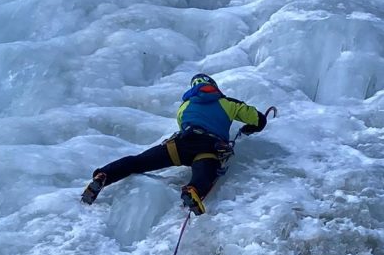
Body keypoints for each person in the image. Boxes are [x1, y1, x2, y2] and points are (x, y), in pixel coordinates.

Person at [82, 73, 268, 215]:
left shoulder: (184, 107)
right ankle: (193, 189)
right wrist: (247, 130)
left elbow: (185, 124)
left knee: (138, 162)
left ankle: (104, 174)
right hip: (208, 147)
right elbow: (259, 120)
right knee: (205, 172)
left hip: (179, 145)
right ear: (214, 86)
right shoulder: (228, 103)